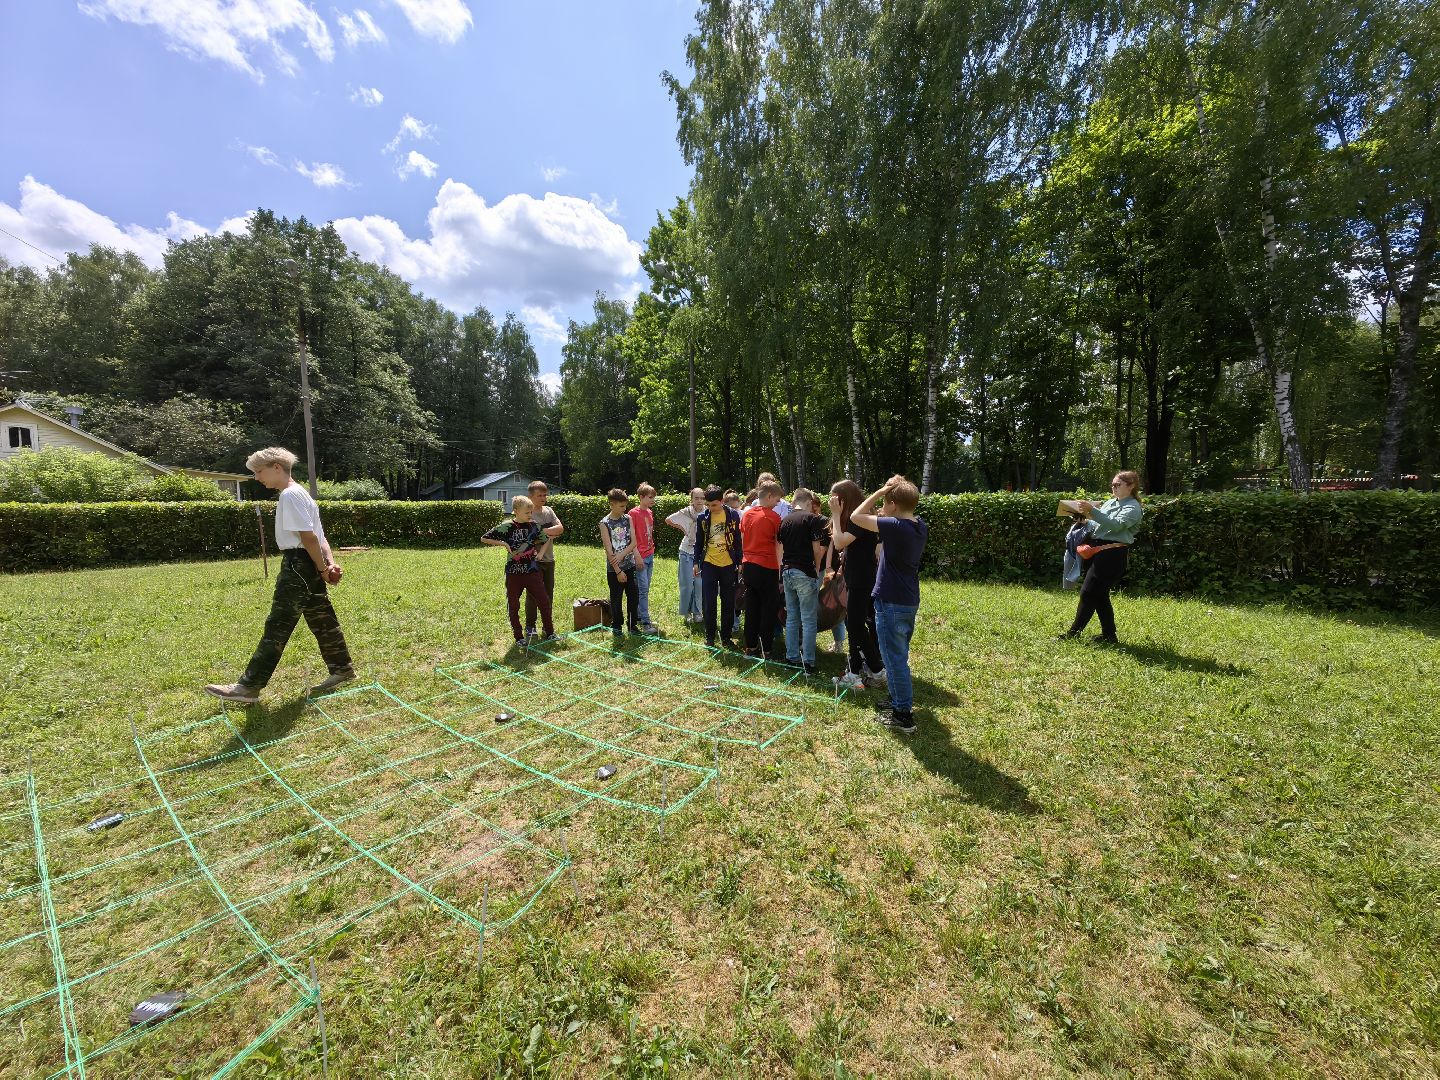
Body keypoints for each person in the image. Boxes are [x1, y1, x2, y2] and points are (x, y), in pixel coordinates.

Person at [205, 447, 354, 703]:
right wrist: (328, 565)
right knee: (322, 620)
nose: (256, 477)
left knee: (278, 625)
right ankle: (343, 669)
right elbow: (319, 537)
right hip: (309, 563)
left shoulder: (289, 495)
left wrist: (323, 569)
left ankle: (248, 687)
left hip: (298, 566)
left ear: (276, 467)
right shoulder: (302, 493)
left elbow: (309, 537)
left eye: (258, 471)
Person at [849, 475, 927, 734]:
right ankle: (897, 700)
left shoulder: (895, 526)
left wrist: (881, 491)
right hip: (907, 600)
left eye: (885, 502)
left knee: (894, 661)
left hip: (891, 601)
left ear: (893, 504)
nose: (882, 506)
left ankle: (903, 715)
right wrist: (896, 489)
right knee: (897, 656)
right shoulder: (918, 525)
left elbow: (856, 517)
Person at [1060, 470, 1143, 643]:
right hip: (1098, 552)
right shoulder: (1111, 502)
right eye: (1112, 484)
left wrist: (1092, 510)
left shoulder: (1133, 507)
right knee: (1100, 595)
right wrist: (1084, 519)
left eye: (1118, 484)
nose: (1114, 487)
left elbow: (1116, 525)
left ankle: (1073, 634)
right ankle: (1109, 636)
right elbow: (1098, 524)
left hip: (1112, 555)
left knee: (1088, 592)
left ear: (1131, 486)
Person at [481, 495, 561, 645]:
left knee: (544, 602)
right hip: (514, 574)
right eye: (527, 513)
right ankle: (519, 637)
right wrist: (504, 544)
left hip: (532, 572)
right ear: (516, 511)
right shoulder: (507, 526)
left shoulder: (534, 526)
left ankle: (550, 632)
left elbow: (547, 539)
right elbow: (484, 538)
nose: (530, 515)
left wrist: (541, 553)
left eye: (531, 512)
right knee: (513, 605)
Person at [829, 479, 884, 691]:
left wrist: (835, 515)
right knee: (854, 624)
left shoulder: (859, 519)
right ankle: (861, 669)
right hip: (858, 576)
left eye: (835, 499)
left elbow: (838, 542)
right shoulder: (858, 517)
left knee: (855, 625)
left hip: (862, 578)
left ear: (845, 499)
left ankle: (872, 670)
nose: (832, 502)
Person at [778, 487, 829, 673]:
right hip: (804, 572)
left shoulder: (784, 520)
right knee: (808, 619)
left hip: (787, 571)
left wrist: (781, 570)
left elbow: (780, 549)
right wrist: (817, 568)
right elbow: (817, 549)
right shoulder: (812, 519)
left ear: (794, 502)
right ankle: (808, 661)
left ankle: (791, 657)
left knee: (792, 617)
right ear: (808, 502)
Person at [739, 479, 785, 658]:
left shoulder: (747, 514)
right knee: (768, 608)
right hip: (767, 566)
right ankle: (767, 649)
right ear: (769, 496)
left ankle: (751, 647)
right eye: (777, 500)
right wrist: (780, 569)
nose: (778, 503)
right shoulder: (774, 517)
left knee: (751, 607)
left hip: (749, 565)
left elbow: (743, 538)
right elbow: (778, 546)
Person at [693, 485, 742, 648]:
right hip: (709, 564)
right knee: (709, 602)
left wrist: (740, 561)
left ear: (722, 501)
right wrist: (695, 562)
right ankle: (710, 636)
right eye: (708, 505)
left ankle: (726, 637)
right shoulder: (702, 518)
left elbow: (737, 540)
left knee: (728, 602)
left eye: (713, 505)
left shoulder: (733, 515)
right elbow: (699, 541)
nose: (710, 508)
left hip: (728, 565)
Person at [524, 480, 565, 642]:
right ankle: (530, 627)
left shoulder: (548, 511)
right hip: (532, 561)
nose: (543, 498)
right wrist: (548, 533)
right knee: (533, 595)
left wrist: (541, 531)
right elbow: (528, 539)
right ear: (530, 497)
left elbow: (560, 528)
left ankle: (548, 628)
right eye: (539, 495)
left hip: (549, 560)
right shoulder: (527, 513)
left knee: (548, 595)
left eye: (545, 495)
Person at [599, 489, 640, 636]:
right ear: (612, 504)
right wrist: (618, 571)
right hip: (614, 569)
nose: (624, 509)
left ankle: (632, 625)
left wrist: (622, 554)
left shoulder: (628, 518)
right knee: (616, 598)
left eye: (625, 506)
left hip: (630, 565)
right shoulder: (605, 523)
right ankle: (617, 626)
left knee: (633, 596)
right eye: (621, 506)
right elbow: (608, 549)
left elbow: (634, 542)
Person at [665, 487, 706, 625]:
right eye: (696, 498)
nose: (699, 501)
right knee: (687, 585)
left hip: (701, 553)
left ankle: (697, 612)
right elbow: (668, 520)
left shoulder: (707, 512)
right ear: (691, 499)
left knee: (699, 584)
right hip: (686, 551)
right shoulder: (686, 512)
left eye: (702, 498)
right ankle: (686, 612)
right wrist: (683, 528)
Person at [628, 482, 660, 633]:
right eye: (650, 497)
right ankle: (646, 623)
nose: (653, 500)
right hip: (639, 557)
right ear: (641, 497)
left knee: (645, 589)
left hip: (649, 555)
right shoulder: (633, 514)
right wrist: (637, 556)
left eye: (654, 497)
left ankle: (641, 616)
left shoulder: (649, 512)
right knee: (642, 589)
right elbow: (631, 537)